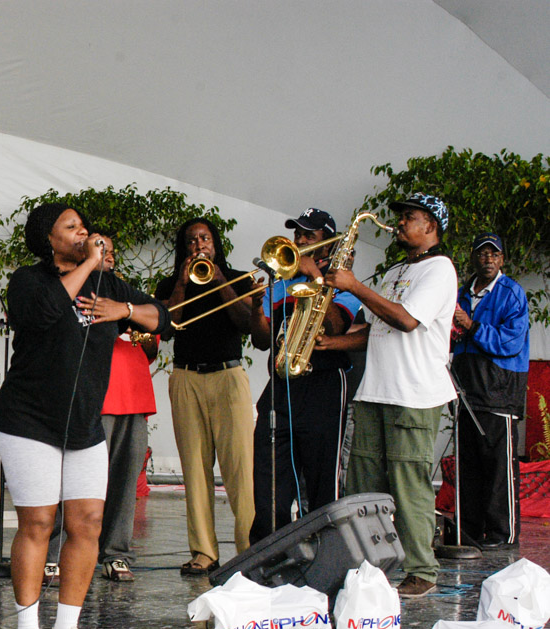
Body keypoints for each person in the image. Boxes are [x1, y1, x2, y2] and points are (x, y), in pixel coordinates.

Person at [0, 203, 167, 629]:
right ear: (47, 239)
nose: (83, 232)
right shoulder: (28, 281)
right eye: (70, 228)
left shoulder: (107, 286)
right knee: (37, 523)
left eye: (84, 227)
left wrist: (123, 308)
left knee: (87, 523)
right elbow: (43, 314)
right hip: (29, 421)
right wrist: (91, 262)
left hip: (85, 423)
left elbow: (163, 318)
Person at [318, 193, 456, 598]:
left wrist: (354, 285)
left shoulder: (440, 269)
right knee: (363, 484)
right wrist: (333, 342)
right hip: (376, 391)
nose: (399, 224)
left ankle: (421, 571)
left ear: (431, 226)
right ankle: (364, 564)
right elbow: (375, 329)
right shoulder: (396, 270)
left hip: (413, 395)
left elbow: (407, 320)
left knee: (408, 483)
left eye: (409, 218)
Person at [45, 235, 159, 583]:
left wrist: (124, 311)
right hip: (93, 395)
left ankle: (116, 554)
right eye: (99, 248)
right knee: (77, 483)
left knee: (125, 481)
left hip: (133, 394)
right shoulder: (73, 287)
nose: (105, 255)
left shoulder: (122, 291)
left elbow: (156, 334)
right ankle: (54, 554)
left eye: (110, 251)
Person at [247, 209, 360, 543]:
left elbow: (335, 326)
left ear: (328, 243)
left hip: (323, 384)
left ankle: (324, 550)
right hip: (281, 384)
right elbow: (260, 339)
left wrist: (316, 280)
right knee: (269, 471)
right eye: (297, 235)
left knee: (322, 477)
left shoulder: (342, 281)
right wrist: (256, 307)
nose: (299, 241)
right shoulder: (280, 283)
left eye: (308, 236)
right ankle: (269, 549)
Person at [155, 218, 254, 575]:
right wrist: (183, 281)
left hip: (228, 376)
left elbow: (246, 322)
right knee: (194, 468)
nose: (199, 245)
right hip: (186, 376)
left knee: (241, 468)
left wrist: (219, 280)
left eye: (205, 238)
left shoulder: (239, 278)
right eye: (192, 240)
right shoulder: (170, 283)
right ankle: (204, 552)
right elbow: (168, 326)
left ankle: (248, 550)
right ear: (184, 247)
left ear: (215, 243)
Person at [451, 232, 529, 549]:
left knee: (498, 469)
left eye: (494, 254)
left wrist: (471, 326)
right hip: (467, 392)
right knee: (468, 467)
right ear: (473, 257)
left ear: (502, 260)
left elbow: (510, 342)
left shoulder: (512, 293)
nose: (488, 259)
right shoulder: (461, 293)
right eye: (482, 253)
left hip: (499, 392)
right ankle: (469, 531)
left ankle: (502, 534)